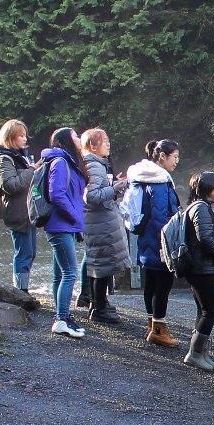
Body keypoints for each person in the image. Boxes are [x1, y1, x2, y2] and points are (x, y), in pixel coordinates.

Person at [126, 139, 183, 348]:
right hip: (160, 241)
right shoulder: (158, 181)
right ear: (162, 156)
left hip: (145, 238)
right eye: (174, 157)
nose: (176, 161)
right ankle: (159, 329)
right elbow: (163, 217)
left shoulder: (140, 176)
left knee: (150, 281)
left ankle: (151, 324)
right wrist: (170, 244)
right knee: (163, 283)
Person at [176, 171, 214, 370]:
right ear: (206, 188)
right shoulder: (200, 209)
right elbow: (205, 239)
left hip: (200, 267)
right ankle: (195, 353)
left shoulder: (202, 207)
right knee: (211, 310)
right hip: (200, 268)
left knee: (204, 310)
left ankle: (201, 353)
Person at [40, 127, 88, 338]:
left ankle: (63, 316)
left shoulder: (66, 161)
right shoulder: (60, 162)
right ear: (66, 140)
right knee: (70, 273)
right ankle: (62, 319)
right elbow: (57, 194)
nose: (79, 138)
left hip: (62, 225)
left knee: (60, 274)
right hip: (61, 225)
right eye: (76, 136)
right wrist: (75, 217)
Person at [79, 128, 130, 325]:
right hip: (100, 223)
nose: (108, 144)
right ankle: (99, 307)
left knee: (100, 263)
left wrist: (112, 183)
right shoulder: (93, 165)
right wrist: (114, 188)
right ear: (93, 146)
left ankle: (98, 303)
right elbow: (91, 196)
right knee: (102, 264)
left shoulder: (95, 164)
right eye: (104, 141)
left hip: (101, 221)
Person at [0, 119, 35, 292]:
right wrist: (31, 171)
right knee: (23, 254)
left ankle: (23, 289)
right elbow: (10, 185)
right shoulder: (4, 159)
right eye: (20, 136)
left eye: (25, 135)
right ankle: (20, 292)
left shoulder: (17, 156)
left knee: (29, 252)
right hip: (17, 212)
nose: (25, 139)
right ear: (10, 138)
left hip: (26, 212)